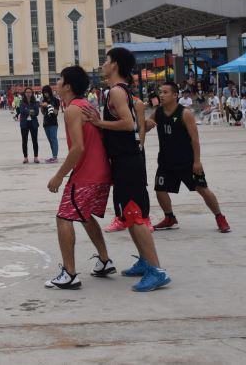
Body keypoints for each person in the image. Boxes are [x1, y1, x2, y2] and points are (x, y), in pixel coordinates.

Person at [85, 48, 170, 292]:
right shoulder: (123, 91)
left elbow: (128, 124)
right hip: (127, 159)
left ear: (115, 65)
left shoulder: (116, 91)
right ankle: (144, 261)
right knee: (129, 215)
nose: (103, 64)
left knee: (134, 214)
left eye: (106, 60)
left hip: (127, 161)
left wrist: (98, 123)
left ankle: (156, 271)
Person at [45, 66, 115, 290]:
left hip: (87, 174)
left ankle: (70, 274)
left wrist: (58, 176)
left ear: (67, 86)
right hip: (101, 171)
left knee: (63, 218)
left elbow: (78, 148)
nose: (57, 83)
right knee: (84, 216)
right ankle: (104, 260)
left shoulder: (73, 110)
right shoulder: (87, 105)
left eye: (59, 79)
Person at [145, 82, 231, 233]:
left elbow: (195, 139)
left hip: (186, 161)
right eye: (160, 92)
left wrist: (197, 161)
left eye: (165, 92)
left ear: (175, 95)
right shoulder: (158, 112)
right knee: (160, 190)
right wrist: (146, 122)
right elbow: (145, 128)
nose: (161, 95)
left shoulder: (185, 113)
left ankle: (220, 217)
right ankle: (170, 218)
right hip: (166, 161)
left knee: (203, 189)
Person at [16, 88, 41, 164]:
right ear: (24, 93)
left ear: (32, 93)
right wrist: (30, 111)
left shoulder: (35, 102)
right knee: (24, 141)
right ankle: (25, 157)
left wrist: (27, 110)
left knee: (35, 141)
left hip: (33, 123)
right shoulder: (22, 102)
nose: (28, 93)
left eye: (30, 92)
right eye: (27, 92)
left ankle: (36, 157)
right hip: (24, 123)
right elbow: (22, 111)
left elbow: (37, 112)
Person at [40, 85, 61, 164]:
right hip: (46, 122)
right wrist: (42, 107)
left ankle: (55, 157)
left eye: (47, 92)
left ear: (50, 92)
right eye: (44, 92)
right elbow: (43, 113)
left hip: (53, 122)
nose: (45, 94)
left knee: (53, 139)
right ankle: (53, 156)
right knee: (50, 140)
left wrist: (48, 105)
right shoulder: (43, 100)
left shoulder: (55, 100)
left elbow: (55, 112)